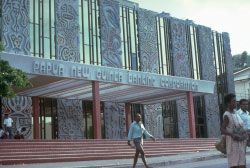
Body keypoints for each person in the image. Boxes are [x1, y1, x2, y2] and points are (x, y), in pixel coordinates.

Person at [221, 94, 248, 168]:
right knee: (235, 165)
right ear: (228, 103)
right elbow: (222, 129)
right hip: (233, 144)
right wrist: (232, 134)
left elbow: (240, 126)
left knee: (242, 164)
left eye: (235, 101)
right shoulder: (227, 115)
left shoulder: (236, 113)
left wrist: (246, 133)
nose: (235, 103)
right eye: (233, 101)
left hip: (241, 143)